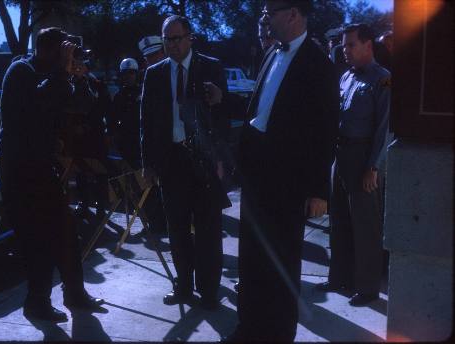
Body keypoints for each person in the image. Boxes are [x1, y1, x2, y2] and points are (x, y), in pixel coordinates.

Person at [225, 0, 339, 341]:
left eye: (269, 12)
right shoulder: (271, 54)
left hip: (287, 182)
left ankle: (278, 334)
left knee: (282, 265)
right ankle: (248, 328)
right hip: (255, 177)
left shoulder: (319, 65)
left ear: (292, 14)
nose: (264, 18)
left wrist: (319, 190)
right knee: (251, 260)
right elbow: (256, 112)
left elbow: (325, 130)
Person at [0, 27, 104, 323]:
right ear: (47, 51)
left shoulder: (57, 77)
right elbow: (40, 104)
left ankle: (75, 293)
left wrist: (78, 78)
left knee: (67, 230)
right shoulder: (21, 71)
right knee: (36, 238)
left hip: (41, 165)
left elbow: (84, 106)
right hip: (17, 166)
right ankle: (36, 303)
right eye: (64, 53)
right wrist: (62, 73)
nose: (68, 59)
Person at [140, 15, 231, 309]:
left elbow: (225, 120)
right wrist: (148, 163)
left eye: (177, 38)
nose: (172, 45)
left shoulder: (211, 67)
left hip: (204, 163)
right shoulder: (154, 74)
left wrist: (220, 100)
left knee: (208, 231)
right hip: (171, 161)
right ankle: (183, 286)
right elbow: (147, 123)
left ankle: (209, 292)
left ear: (190, 37)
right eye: (167, 39)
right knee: (176, 229)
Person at [316, 23, 391, 307]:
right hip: (340, 155)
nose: (344, 50)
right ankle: (339, 277)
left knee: (365, 226)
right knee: (339, 222)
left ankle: (368, 287)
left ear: (368, 45)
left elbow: (385, 128)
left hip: (363, 159)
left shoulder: (382, 79)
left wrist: (373, 167)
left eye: (350, 45)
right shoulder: (346, 77)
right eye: (343, 45)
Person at [109, 57, 168, 235]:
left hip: (141, 147)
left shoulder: (143, 93)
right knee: (134, 190)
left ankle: (158, 223)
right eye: (125, 74)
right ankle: (147, 221)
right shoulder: (119, 96)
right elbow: (113, 120)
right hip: (126, 148)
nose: (128, 77)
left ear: (137, 74)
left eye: (131, 73)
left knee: (149, 188)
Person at [66, 55, 112, 220]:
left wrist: (88, 126)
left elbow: (102, 107)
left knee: (99, 171)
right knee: (80, 171)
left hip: (95, 135)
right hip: (78, 137)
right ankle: (84, 203)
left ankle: (101, 205)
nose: (78, 68)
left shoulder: (97, 84)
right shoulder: (69, 83)